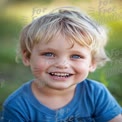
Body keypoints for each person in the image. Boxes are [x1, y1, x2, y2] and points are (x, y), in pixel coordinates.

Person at [1, 6, 122, 122]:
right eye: (49, 54)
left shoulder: (95, 94)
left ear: (92, 63)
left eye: (76, 56)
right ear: (27, 57)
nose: (62, 64)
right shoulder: (18, 105)